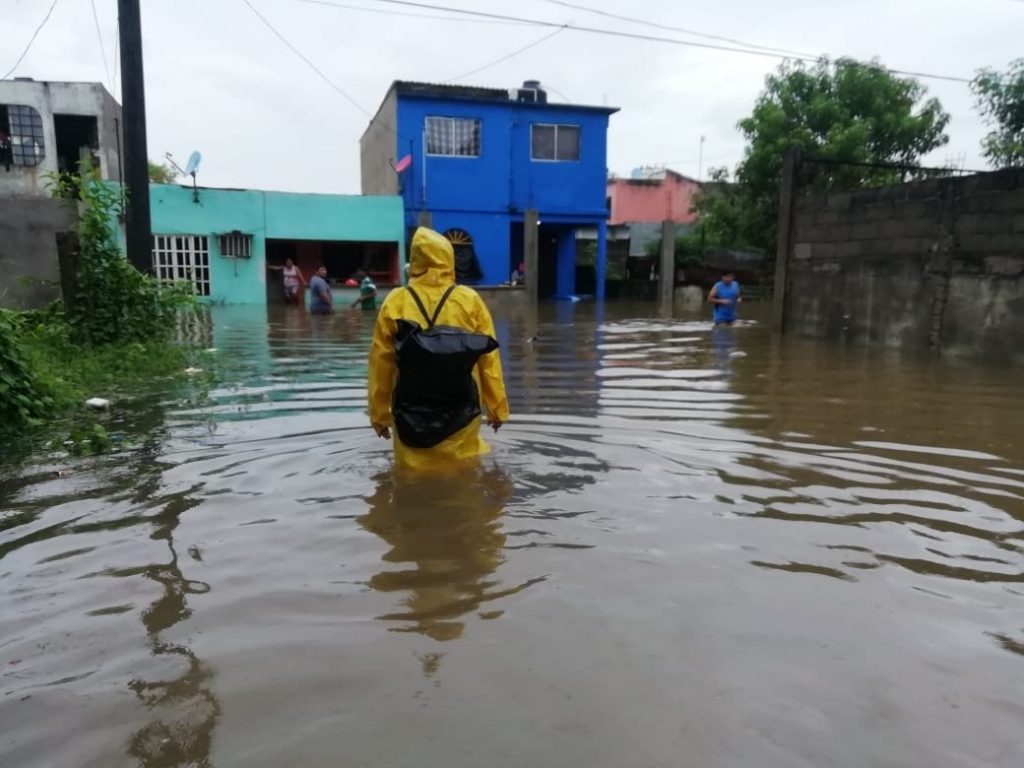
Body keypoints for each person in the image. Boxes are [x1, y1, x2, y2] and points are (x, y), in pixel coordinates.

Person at [368, 227, 509, 470]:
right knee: (465, 482)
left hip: (409, 414)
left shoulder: (395, 302)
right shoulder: (469, 300)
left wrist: (379, 416)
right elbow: (489, 362)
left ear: (415, 260)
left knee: (410, 481)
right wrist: (497, 410)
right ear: (448, 259)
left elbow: (381, 365)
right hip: (463, 412)